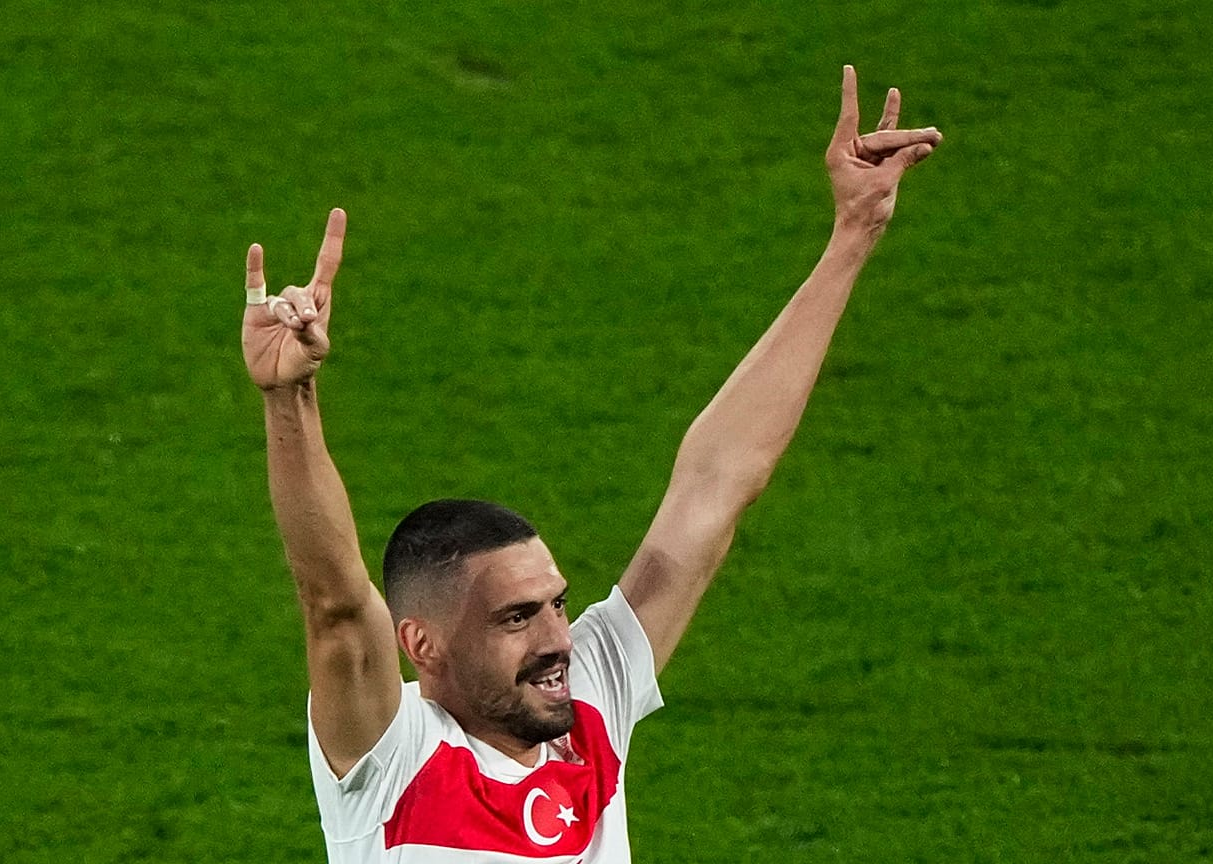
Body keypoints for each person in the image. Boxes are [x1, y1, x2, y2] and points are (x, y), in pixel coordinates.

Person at [239, 66, 941, 863]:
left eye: (556, 605)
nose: (557, 639)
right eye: (515, 618)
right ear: (422, 646)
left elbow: (716, 483)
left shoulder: (592, 701)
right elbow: (334, 600)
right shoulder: (393, 762)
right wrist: (289, 398)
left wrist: (853, 235)